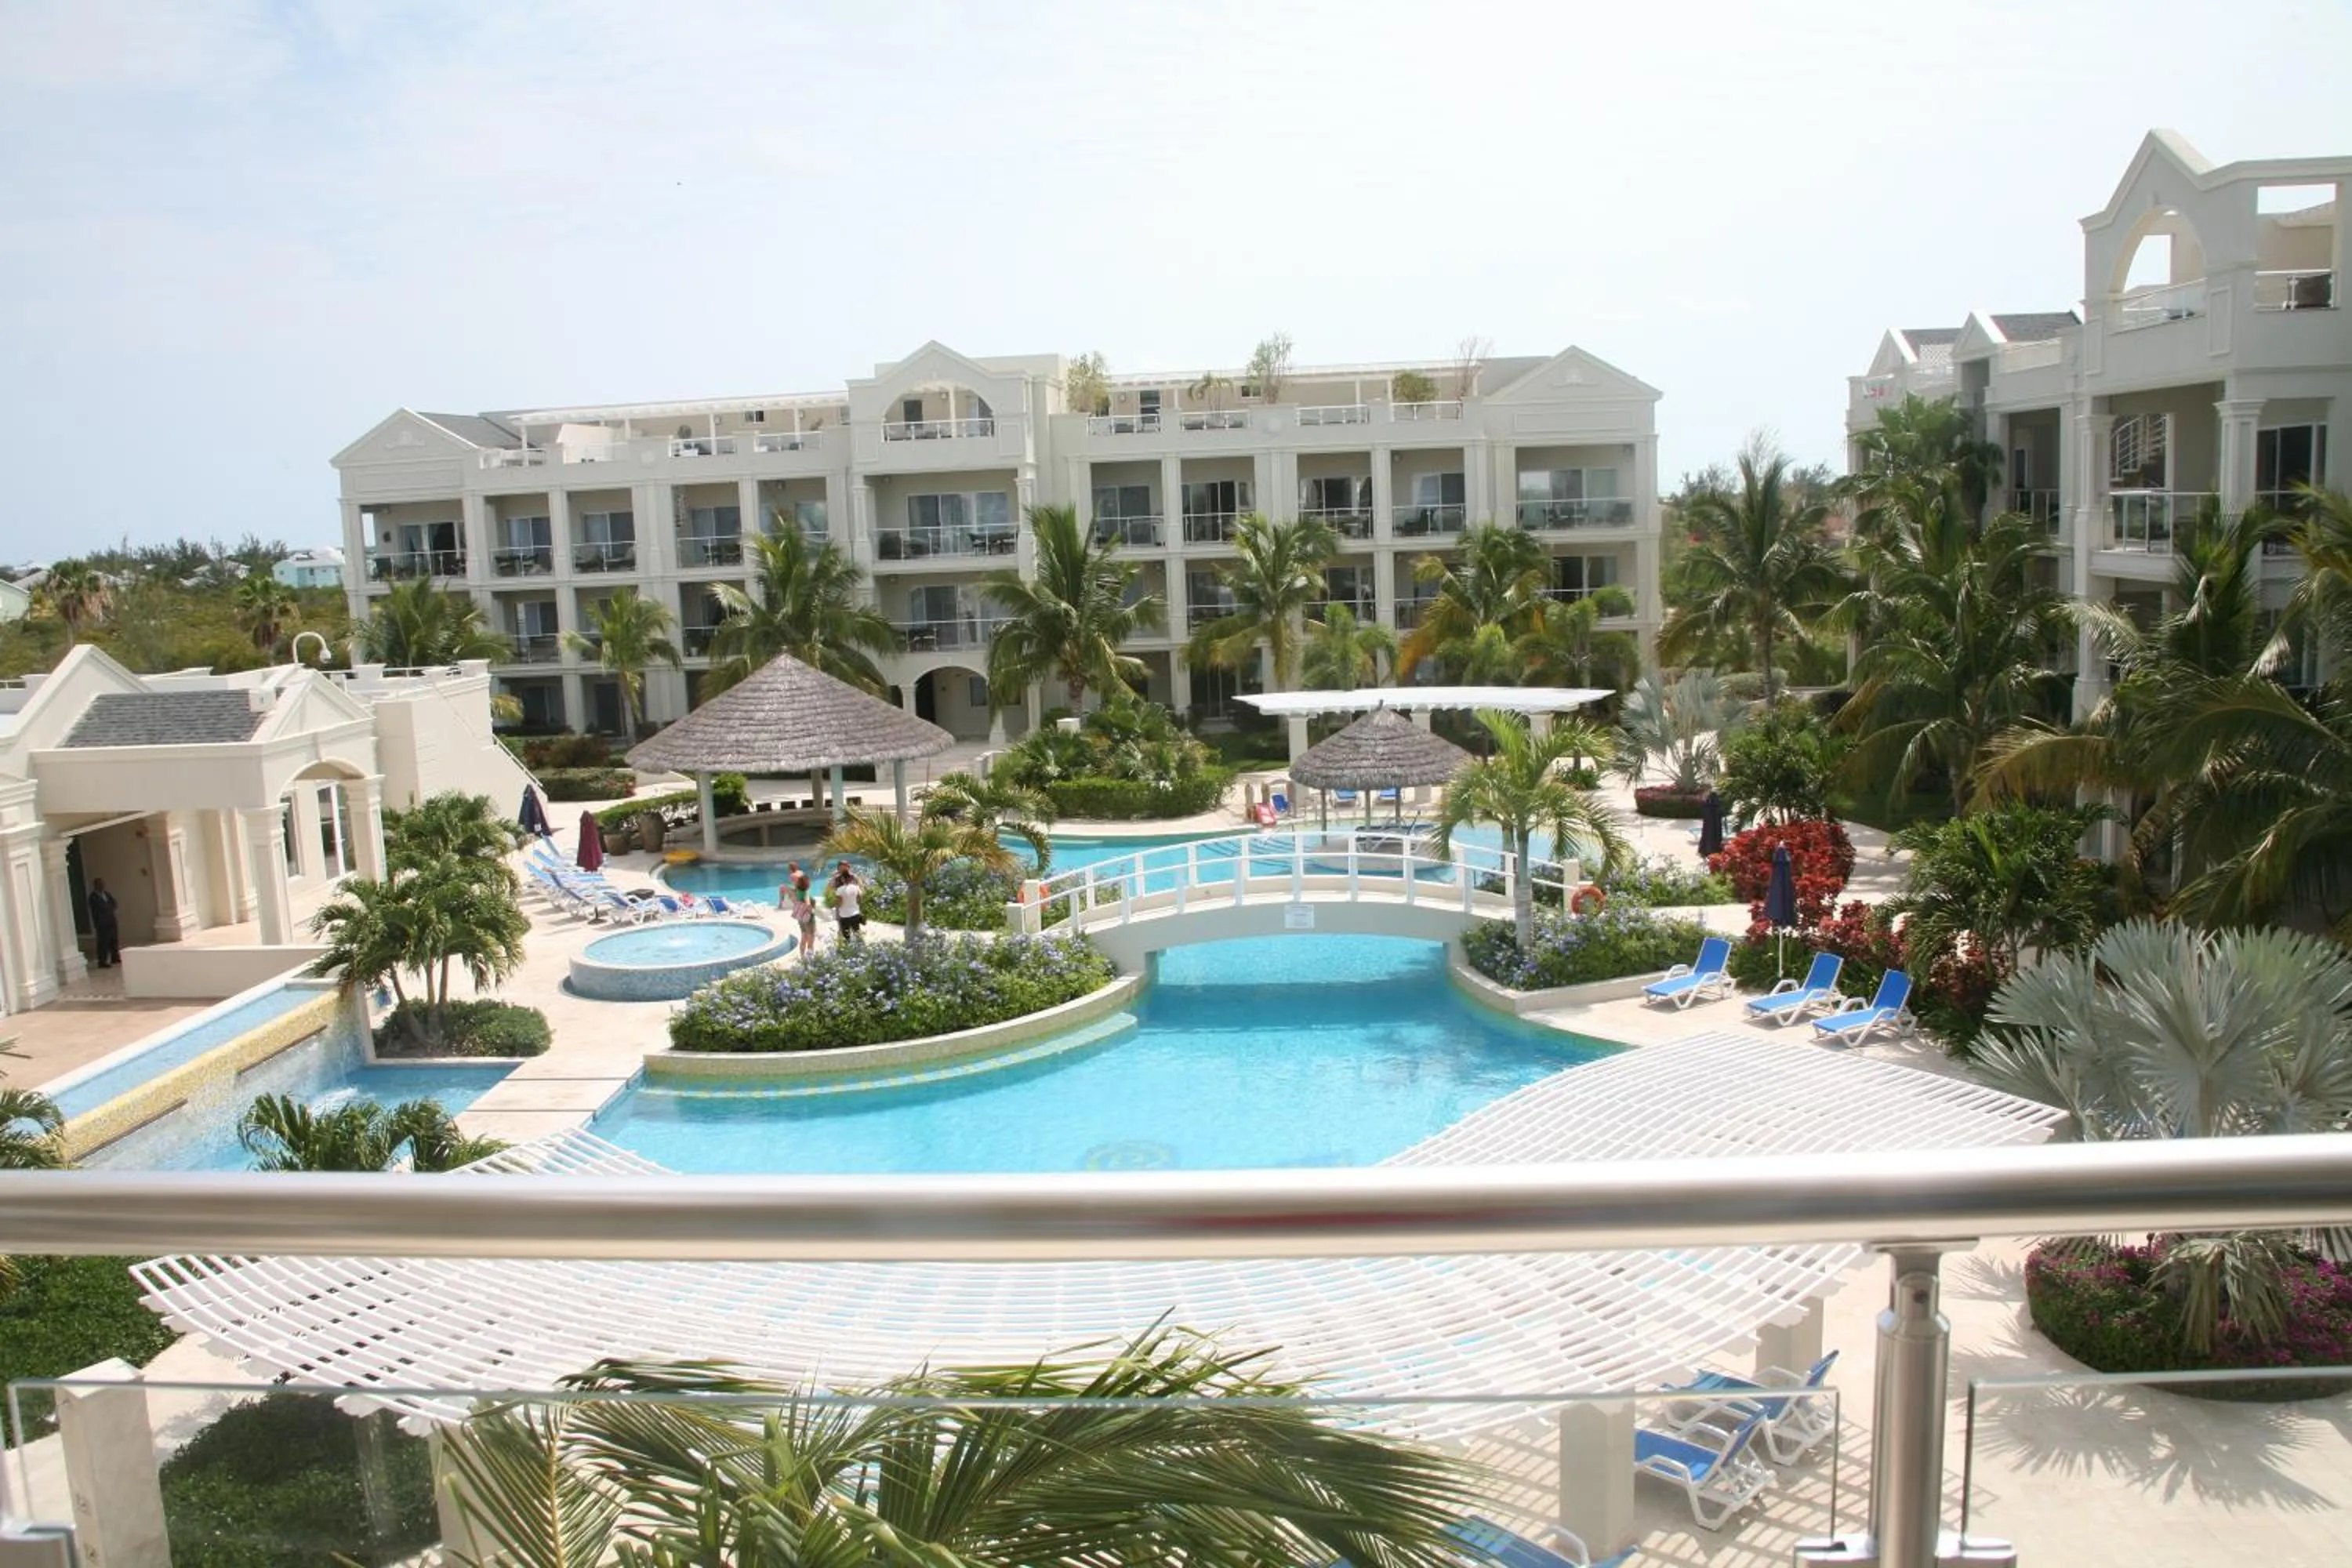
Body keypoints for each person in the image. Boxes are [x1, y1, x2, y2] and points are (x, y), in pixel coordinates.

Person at [87, 877, 122, 969]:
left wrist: (109, 907)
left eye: (103, 884)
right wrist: (108, 907)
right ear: (96, 885)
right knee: (103, 942)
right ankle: (102, 961)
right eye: (100, 884)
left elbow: (114, 903)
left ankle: (115, 957)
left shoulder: (107, 894)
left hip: (111, 920)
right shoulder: (93, 897)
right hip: (102, 923)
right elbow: (100, 907)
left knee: (114, 940)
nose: (103, 886)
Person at [786, 863, 818, 959]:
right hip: (808, 918)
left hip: (801, 918)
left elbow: (793, 897)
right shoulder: (805, 892)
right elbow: (808, 904)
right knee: (811, 938)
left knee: (804, 936)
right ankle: (810, 958)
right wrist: (812, 911)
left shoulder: (798, 892)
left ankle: (803, 957)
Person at [833, 865, 865, 943]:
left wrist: (836, 908)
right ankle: (862, 947)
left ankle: (847, 949)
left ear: (842, 879)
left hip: (844, 916)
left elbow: (839, 903)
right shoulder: (856, 887)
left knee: (846, 937)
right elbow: (860, 900)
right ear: (851, 878)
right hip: (855, 914)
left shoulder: (839, 890)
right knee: (857, 932)